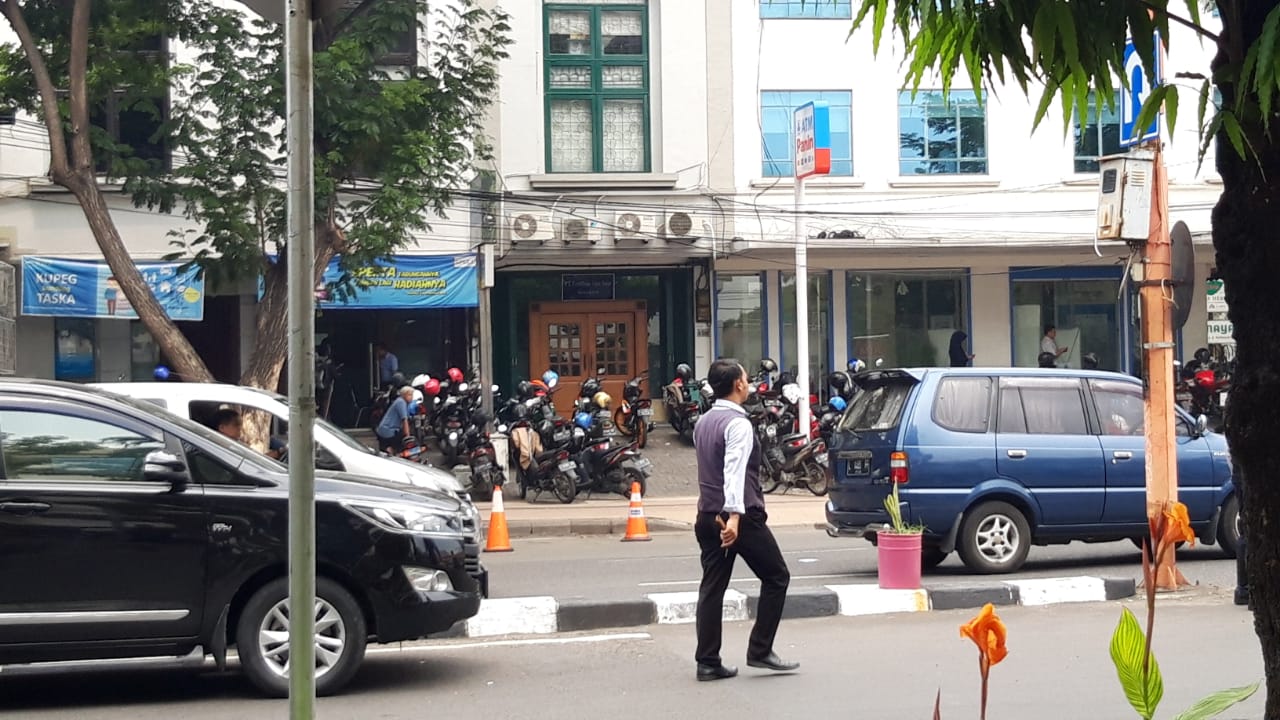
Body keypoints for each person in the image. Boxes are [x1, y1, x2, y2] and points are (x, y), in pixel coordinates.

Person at [692, 358, 797, 682]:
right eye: (747, 379)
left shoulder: (704, 421)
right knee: (777, 576)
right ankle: (760, 650)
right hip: (738, 518)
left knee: (712, 588)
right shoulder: (738, 424)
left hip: (707, 514)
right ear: (738, 385)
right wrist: (735, 517)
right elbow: (733, 473)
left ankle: (708, 661)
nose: (749, 383)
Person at [375, 385, 415, 452]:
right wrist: (408, 437)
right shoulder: (401, 402)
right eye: (409, 395)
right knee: (402, 445)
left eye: (412, 395)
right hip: (388, 430)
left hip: (385, 430)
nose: (412, 397)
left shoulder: (402, 402)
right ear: (404, 395)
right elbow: (404, 421)